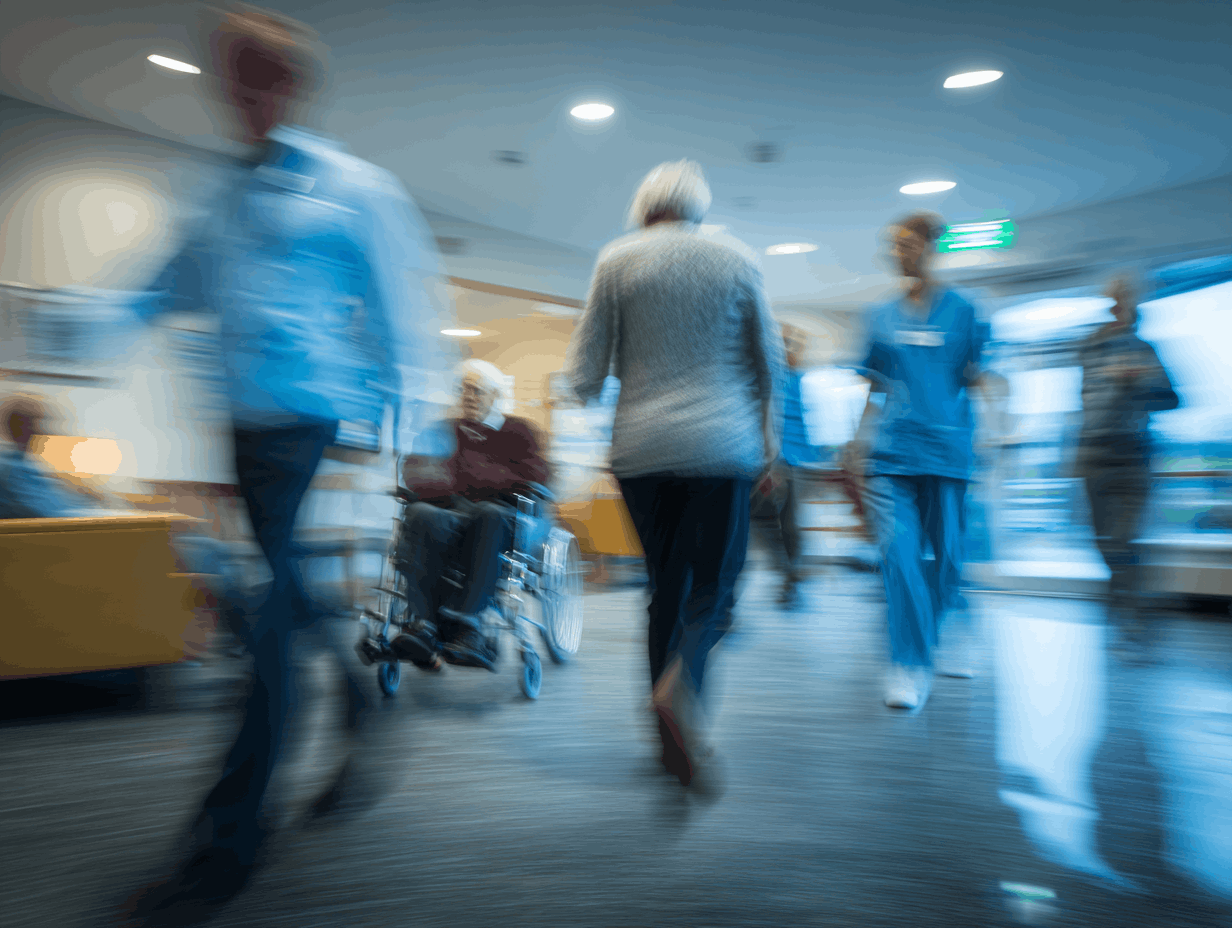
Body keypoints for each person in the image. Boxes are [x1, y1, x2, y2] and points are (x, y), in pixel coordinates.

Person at [117, 5, 442, 924]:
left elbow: (403, 320)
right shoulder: (211, 192)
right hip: (236, 430)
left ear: (293, 84)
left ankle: (223, 850)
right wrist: (95, 317)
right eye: (229, 74)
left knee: (259, 628)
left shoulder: (355, 189)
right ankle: (361, 702)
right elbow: (160, 286)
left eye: (258, 74)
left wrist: (422, 439)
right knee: (283, 599)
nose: (241, 92)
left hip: (304, 429)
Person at [564, 160, 784, 793]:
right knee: (714, 591)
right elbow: (769, 363)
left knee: (664, 590)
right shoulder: (738, 260)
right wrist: (772, 449)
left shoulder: (615, 260)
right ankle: (679, 690)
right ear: (698, 209)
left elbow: (583, 376)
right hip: (723, 449)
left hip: (641, 453)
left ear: (644, 206)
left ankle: (670, 740)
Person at [852, 211, 995, 712]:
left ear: (932, 247)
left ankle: (953, 616)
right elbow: (874, 387)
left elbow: (977, 375)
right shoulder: (879, 316)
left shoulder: (966, 311)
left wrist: (1001, 424)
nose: (898, 253)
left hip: (949, 452)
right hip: (893, 455)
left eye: (906, 243)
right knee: (898, 554)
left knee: (949, 557)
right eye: (892, 245)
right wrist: (855, 443)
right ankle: (909, 663)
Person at [390, 359, 550, 671]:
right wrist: (450, 483)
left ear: (495, 395)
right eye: (463, 390)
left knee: (488, 514)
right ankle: (423, 627)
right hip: (450, 511)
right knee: (421, 514)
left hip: (498, 515)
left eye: (476, 390)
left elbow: (536, 475)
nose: (468, 396)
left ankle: (469, 626)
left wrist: (479, 477)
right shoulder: (445, 430)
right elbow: (414, 471)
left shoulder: (518, 431)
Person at [1075, 275, 1178, 649]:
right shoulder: (1090, 347)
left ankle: (1129, 613)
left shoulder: (1146, 351)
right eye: (1116, 299)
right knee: (1103, 542)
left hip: (1134, 456)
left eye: (1128, 300)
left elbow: (1172, 398)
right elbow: (1084, 402)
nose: (1121, 306)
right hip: (1093, 456)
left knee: (1124, 538)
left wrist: (1139, 379)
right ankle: (1126, 602)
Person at [749, 324, 814, 607]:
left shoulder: (797, 381)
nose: (790, 351)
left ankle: (791, 574)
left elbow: (801, 425)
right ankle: (789, 572)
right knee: (763, 523)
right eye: (785, 344)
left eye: (794, 344)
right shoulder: (766, 380)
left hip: (795, 463)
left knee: (788, 525)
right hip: (770, 462)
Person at [0, 393, 102, 519]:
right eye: (37, 423)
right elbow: (52, 512)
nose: (43, 429)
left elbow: (57, 503)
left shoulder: (24, 464)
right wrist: (100, 513)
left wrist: (86, 499)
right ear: (24, 427)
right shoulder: (13, 469)